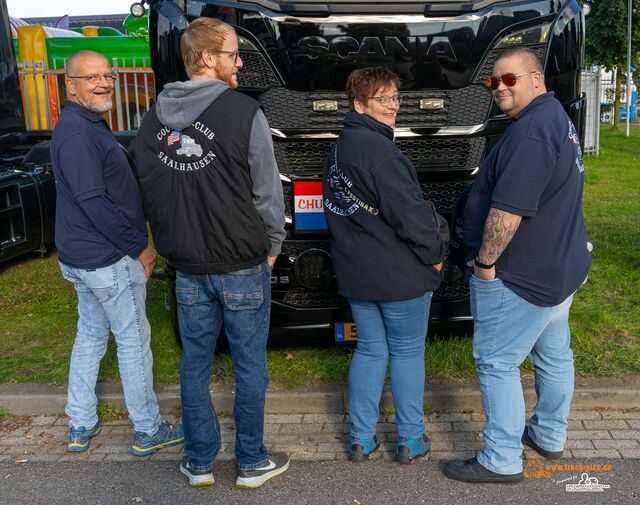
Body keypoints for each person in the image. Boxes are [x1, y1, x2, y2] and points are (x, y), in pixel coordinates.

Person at [129, 18, 288, 489]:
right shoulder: (243, 112)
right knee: (249, 365)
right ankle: (251, 461)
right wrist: (273, 243)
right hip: (241, 263)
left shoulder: (152, 117)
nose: (240, 62)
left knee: (195, 364)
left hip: (187, 267)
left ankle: (199, 463)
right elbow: (266, 191)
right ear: (207, 58)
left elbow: (147, 186)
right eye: (234, 53)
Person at [443, 47, 591, 483]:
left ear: (535, 79)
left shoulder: (530, 133)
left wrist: (486, 263)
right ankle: (548, 434)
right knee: (553, 354)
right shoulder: (554, 119)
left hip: (522, 276)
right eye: (494, 82)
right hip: (559, 269)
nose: (499, 89)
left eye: (509, 80)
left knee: (496, 362)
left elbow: (508, 212)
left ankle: (502, 458)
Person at [50, 50, 184, 456]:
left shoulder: (85, 123)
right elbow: (94, 201)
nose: (104, 83)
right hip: (105, 258)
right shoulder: (76, 132)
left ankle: (80, 424)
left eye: (107, 75)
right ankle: (147, 429)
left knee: (90, 336)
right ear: (70, 84)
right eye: (91, 78)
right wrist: (139, 248)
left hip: (84, 256)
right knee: (132, 339)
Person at [322, 67, 445, 464]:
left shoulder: (339, 149)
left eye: (395, 97)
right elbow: (410, 215)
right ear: (359, 104)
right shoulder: (380, 153)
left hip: (358, 274)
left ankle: (361, 438)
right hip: (399, 275)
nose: (393, 106)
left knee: (371, 352)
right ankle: (410, 440)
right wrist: (436, 253)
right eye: (383, 98)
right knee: (407, 352)